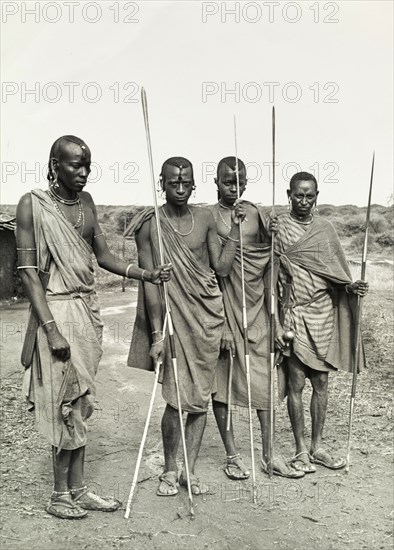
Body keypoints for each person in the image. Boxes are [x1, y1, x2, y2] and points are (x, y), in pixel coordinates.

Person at [16, 135, 172, 520]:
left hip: (87, 312)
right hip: (56, 312)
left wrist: (145, 274)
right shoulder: (31, 205)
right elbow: (29, 275)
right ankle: (58, 495)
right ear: (54, 164)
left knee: (81, 401)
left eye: (87, 165)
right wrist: (51, 329)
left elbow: (101, 256)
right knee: (61, 402)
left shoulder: (86, 203)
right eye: (74, 165)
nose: (83, 172)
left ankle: (79, 489)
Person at [126, 156, 245, 496]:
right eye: (173, 182)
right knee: (175, 398)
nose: (180, 187)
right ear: (161, 183)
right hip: (173, 318)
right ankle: (168, 467)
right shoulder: (151, 225)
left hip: (208, 317)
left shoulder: (206, 217)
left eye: (186, 181)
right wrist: (156, 334)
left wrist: (234, 228)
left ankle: (188, 471)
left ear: (194, 184)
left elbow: (220, 269)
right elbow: (151, 283)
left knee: (201, 398)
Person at [209, 157, 304, 479]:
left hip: (258, 310)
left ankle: (269, 454)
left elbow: (268, 268)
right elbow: (213, 272)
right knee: (222, 384)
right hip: (222, 308)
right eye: (227, 181)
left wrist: (275, 320)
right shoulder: (208, 217)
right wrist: (219, 321)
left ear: (247, 182)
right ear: (216, 181)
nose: (233, 187)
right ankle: (233, 455)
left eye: (239, 181)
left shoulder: (257, 215)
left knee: (264, 380)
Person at [274, 172, 369, 473]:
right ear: (289, 194)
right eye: (298, 195)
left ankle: (318, 446)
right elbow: (268, 271)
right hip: (294, 313)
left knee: (322, 382)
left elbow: (337, 274)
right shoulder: (277, 227)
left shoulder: (325, 229)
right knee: (295, 383)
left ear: (317, 196)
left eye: (309, 196)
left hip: (323, 312)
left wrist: (352, 287)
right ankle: (300, 450)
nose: (303, 201)